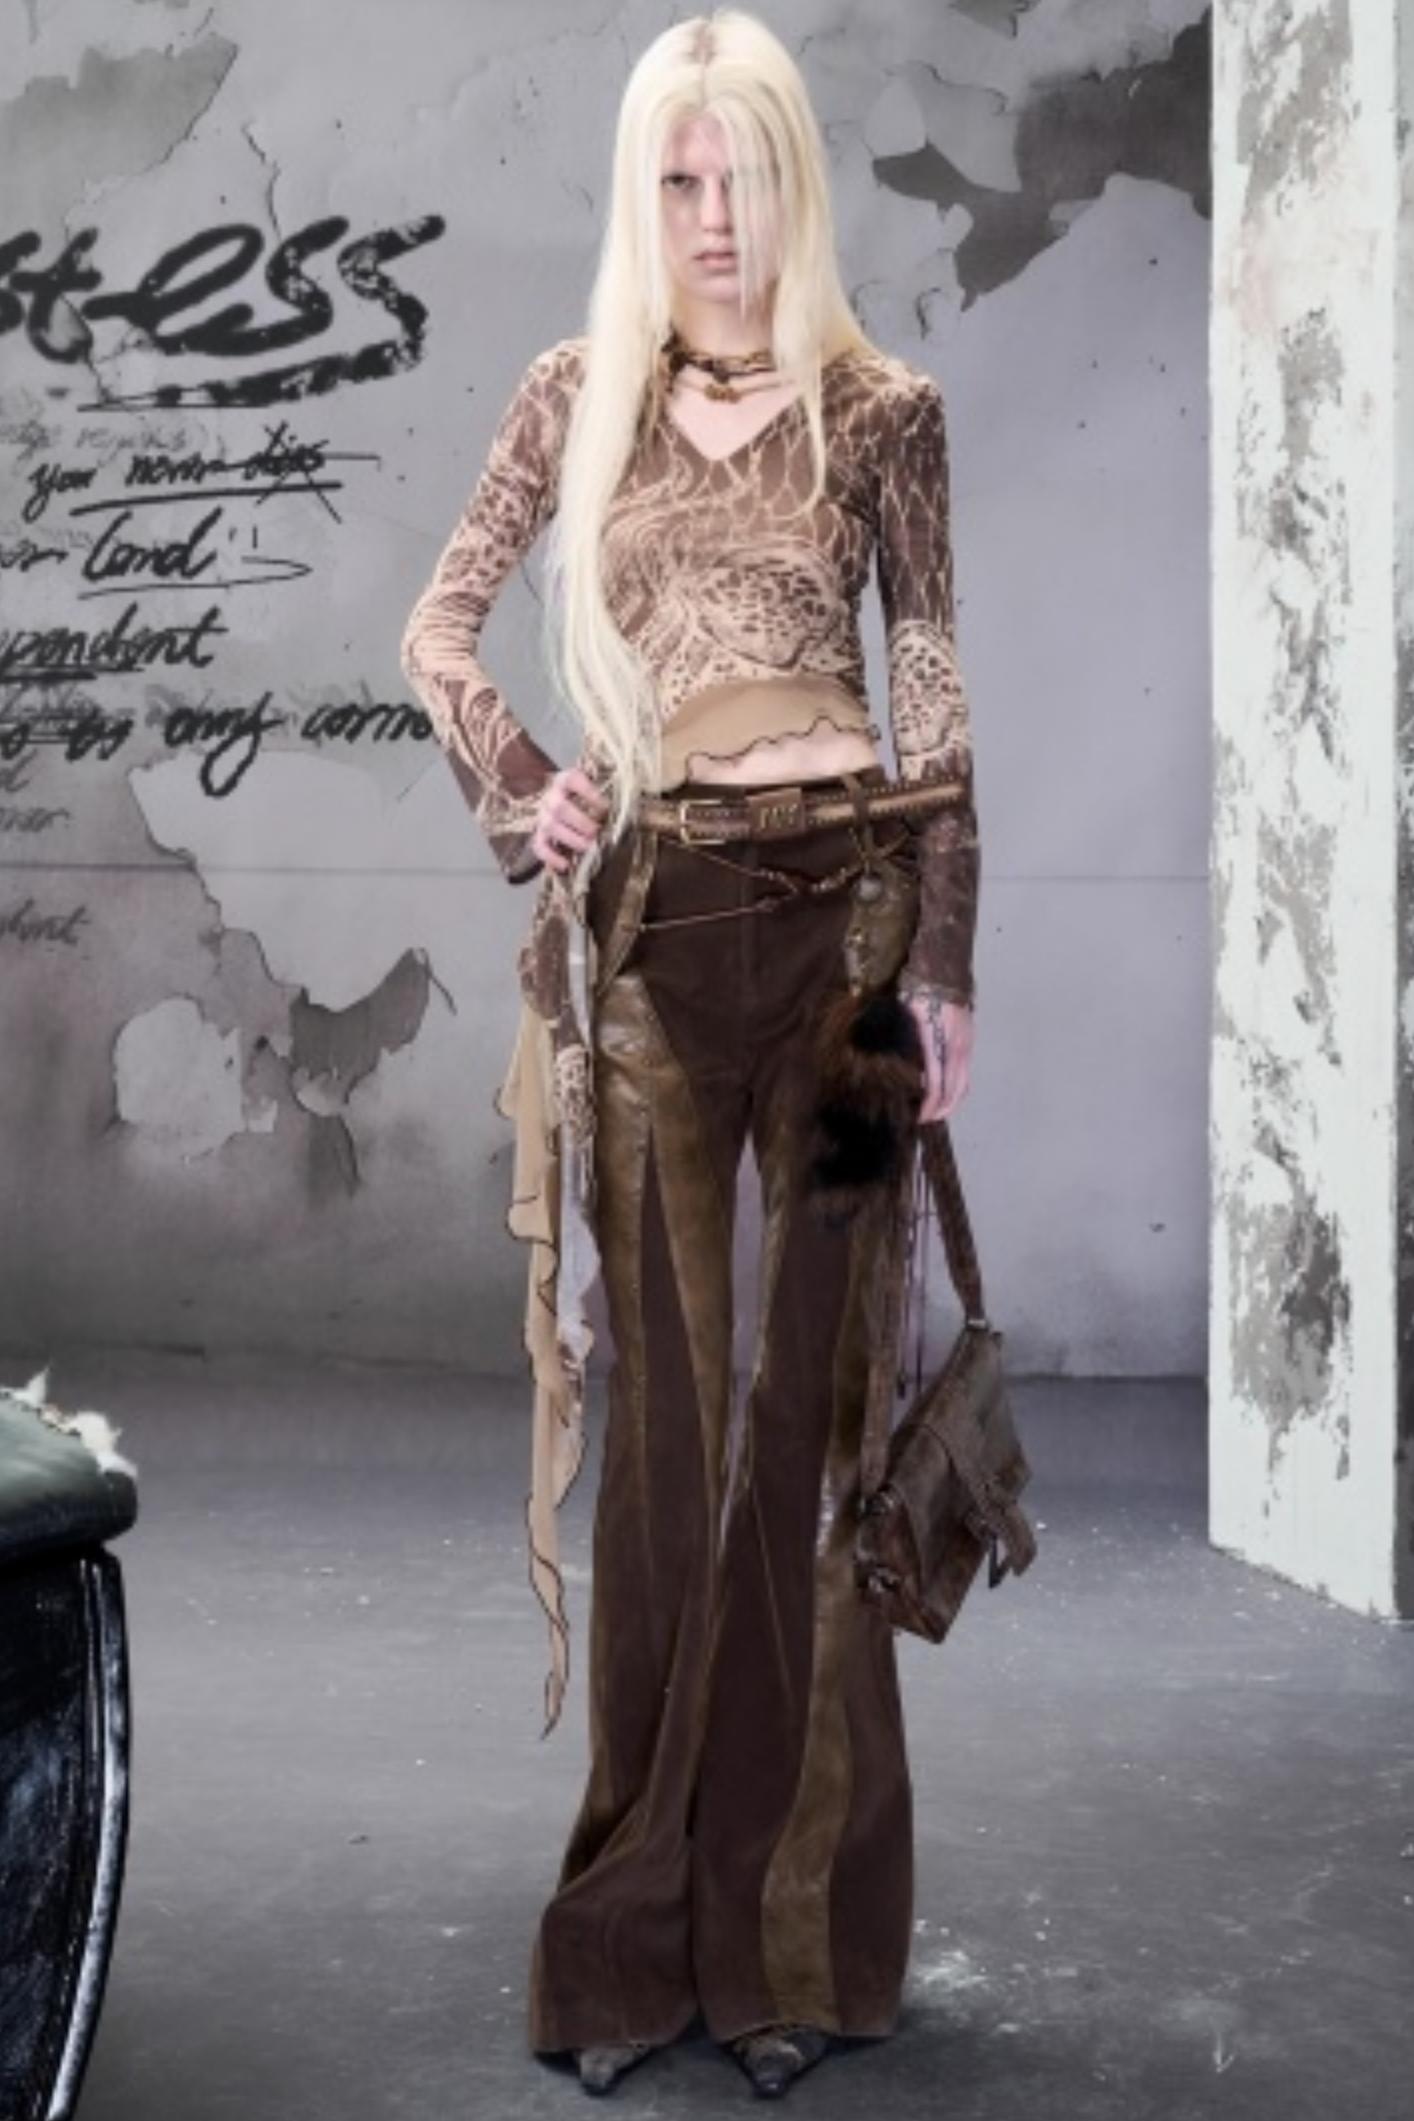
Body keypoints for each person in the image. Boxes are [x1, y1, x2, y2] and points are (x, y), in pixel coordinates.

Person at [399, 8, 980, 2098]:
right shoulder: (576, 397)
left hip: (846, 943)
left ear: (792, 184)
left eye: (743, 174)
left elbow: (935, 705)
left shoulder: (882, 410)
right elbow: (438, 627)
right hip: (650, 941)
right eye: (676, 176)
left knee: (815, 1430)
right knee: (658, 1444)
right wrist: (527, 787)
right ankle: (627, 1944)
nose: (713, 216)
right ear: (641, 193)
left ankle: (790, 1947)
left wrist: (946, 967)